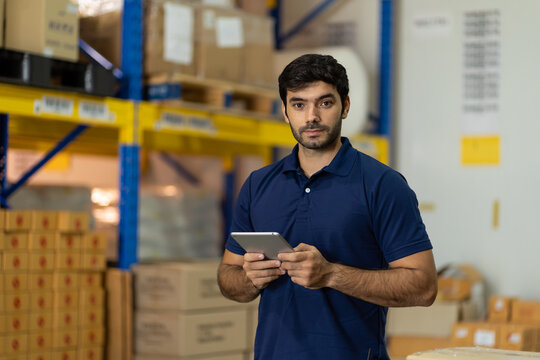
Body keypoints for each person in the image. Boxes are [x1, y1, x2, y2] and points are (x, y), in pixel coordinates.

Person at [217, 54, 437, 360]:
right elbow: (228, 276)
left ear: (345, 106)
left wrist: (331, 274)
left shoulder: (382, 184)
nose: (311, 117)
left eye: (324, 103)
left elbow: (424, 286)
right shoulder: (258, 186)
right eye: (299, 104)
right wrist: (250, 279)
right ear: (284, 111)